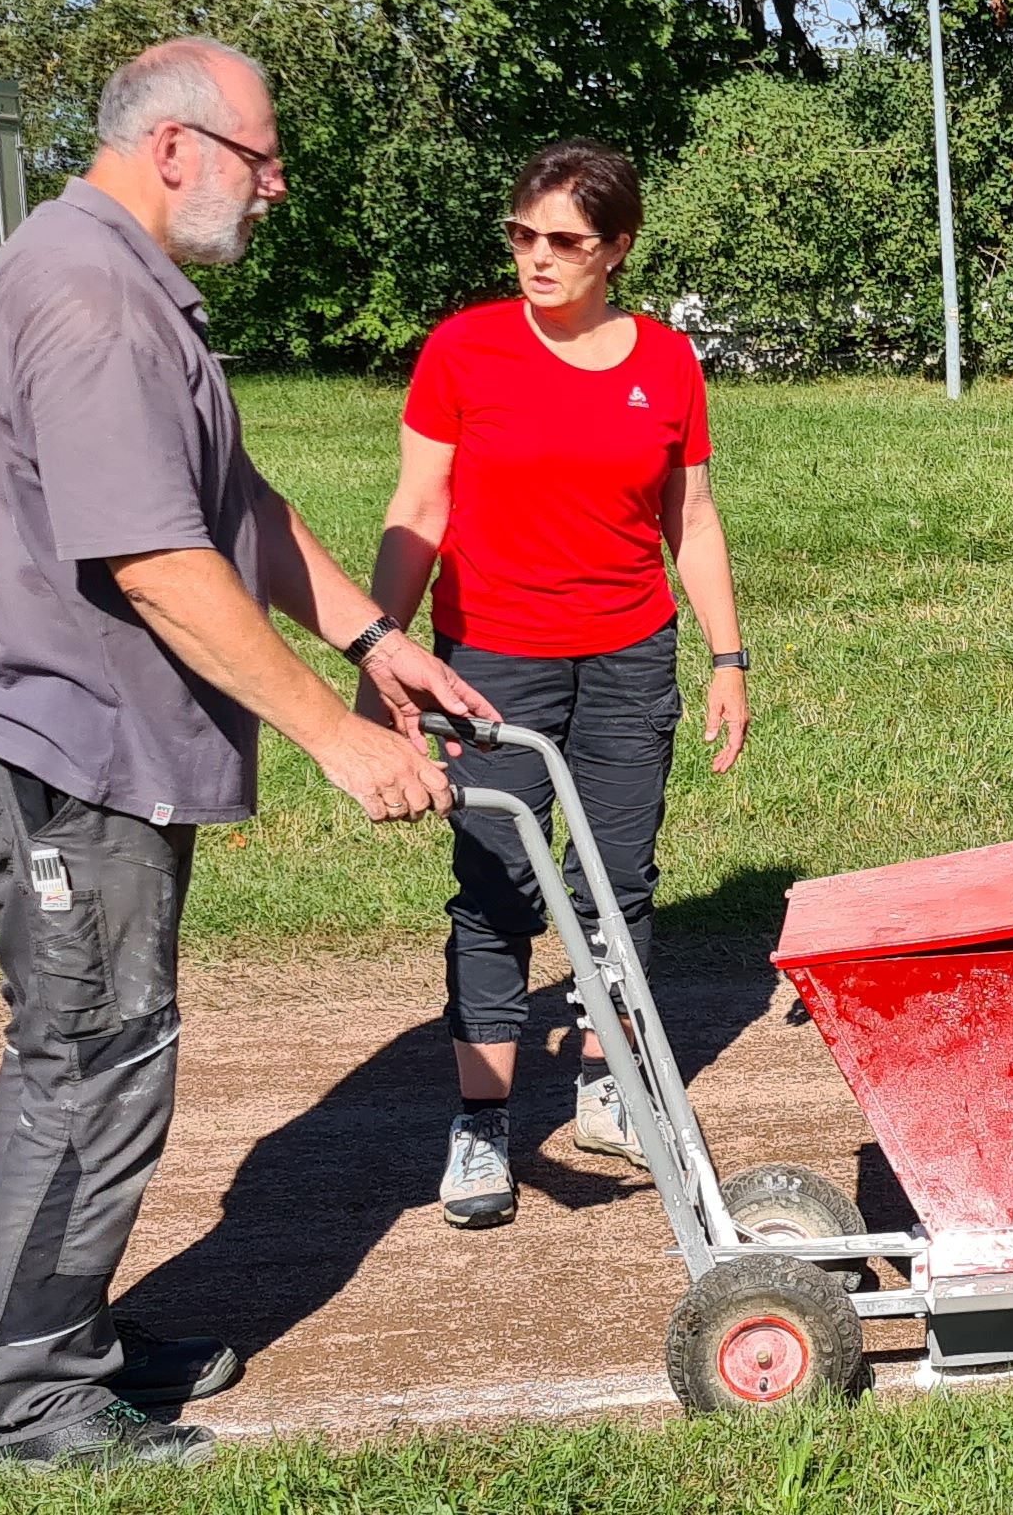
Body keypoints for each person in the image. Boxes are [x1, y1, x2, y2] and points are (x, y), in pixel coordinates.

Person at [0, 37, 497, 1469]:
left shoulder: (114, 278)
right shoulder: (94, 300)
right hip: (59, 760)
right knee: (93, 1059)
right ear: (174, 147)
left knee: (112, 1049)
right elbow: (161, 563)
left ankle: (76, 1340)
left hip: (92, 749)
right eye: (261, 157)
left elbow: (229, 498)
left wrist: (371, 637)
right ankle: (39, 1400)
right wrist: (338, 743)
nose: (275, 186)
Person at [369, 138, 751, 1231]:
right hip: (490, 659)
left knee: (618, 882)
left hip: (631, 653)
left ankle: (607, 1087)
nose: (537, 259)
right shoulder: (465, 350)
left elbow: (693, 519)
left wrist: (727, 659)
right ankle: (482, 1124)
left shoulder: (667, 363)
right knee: (496, 892)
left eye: (566, 242)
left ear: (616, 248)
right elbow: (420, 510)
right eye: (523, 236)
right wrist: (381, 649)